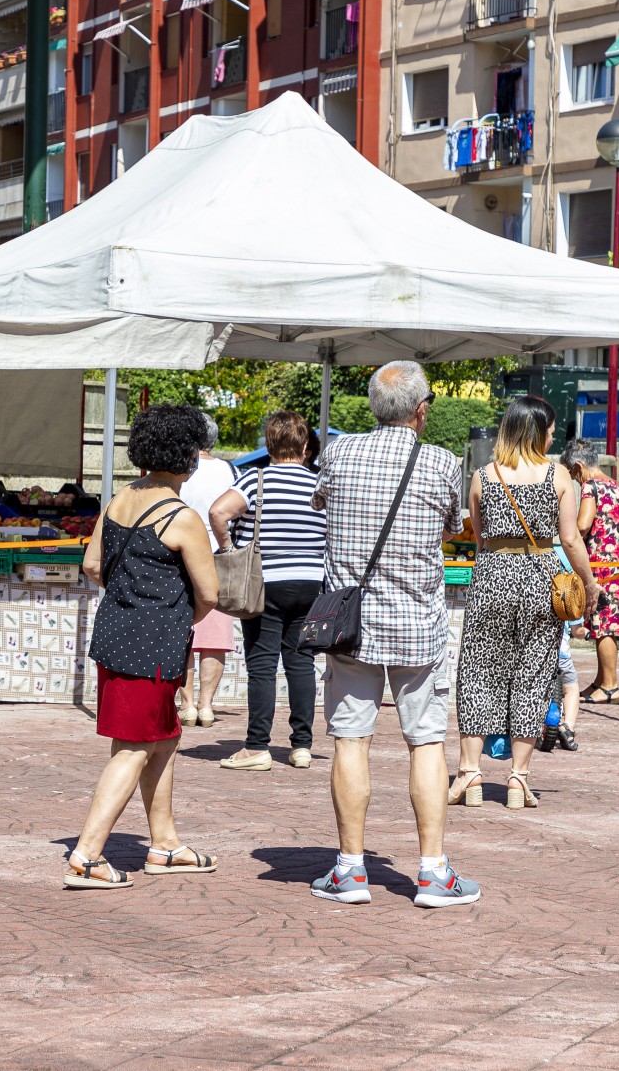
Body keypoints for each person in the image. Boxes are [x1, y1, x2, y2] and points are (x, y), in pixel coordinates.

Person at [308, 362, 481, 908]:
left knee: (350, 740)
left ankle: (349, 869)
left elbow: (320, 504)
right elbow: (453, 526)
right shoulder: (441, 462)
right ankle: (432, 873)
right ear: (421, 410)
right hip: (416, 625)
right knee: (426, 742)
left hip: (350, 627)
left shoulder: (338, 453)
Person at [66, 405, 222, 889]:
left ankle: (166, 844)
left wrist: (130, 596)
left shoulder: (120, 498)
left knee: (163, 738)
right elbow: (209, 594)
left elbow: (92, 565)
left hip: (115, 635)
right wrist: (171, 614)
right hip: (152, 645)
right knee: (134, 749)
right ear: (187, 455)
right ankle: (87, 855)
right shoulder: (182, 517)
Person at [448, 397, 599, 811]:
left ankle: (470, 772)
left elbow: (480, 536)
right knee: (533, 675)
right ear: (536, 432)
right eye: (549, 431)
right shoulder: (558, 475)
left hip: (492, 576)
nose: (552, 438)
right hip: (539, 580)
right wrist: (589, 583)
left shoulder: (483, 475)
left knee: (478, 672)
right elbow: (571, 539)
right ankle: (518, 779)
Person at [209, 410, 328, 772]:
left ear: (269, 444)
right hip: (311, 582)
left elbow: (218, 512)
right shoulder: (319, 485)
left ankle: (257, 746)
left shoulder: (254, 480)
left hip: (265, 583)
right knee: (301, 662)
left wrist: (228, 548)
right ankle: (302, 745)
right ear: (305, 446)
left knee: (262, 664)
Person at [178, 411, 238, 728]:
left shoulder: (179, 470)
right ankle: (206, 705)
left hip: (181, 556)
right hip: (219, 558)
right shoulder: (230, 471)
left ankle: (186, 704)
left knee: (183, 632)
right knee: (214, 637)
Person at [565, 437, 619, 709]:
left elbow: (583, 525)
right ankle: (600, 680)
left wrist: (569, 535)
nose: (575, 480)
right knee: (603, 624)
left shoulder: (590, 487)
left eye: (573, 474)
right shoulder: (618, 487)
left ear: (579, 466)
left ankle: (610, 686)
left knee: (603, 626)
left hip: (600, 566)